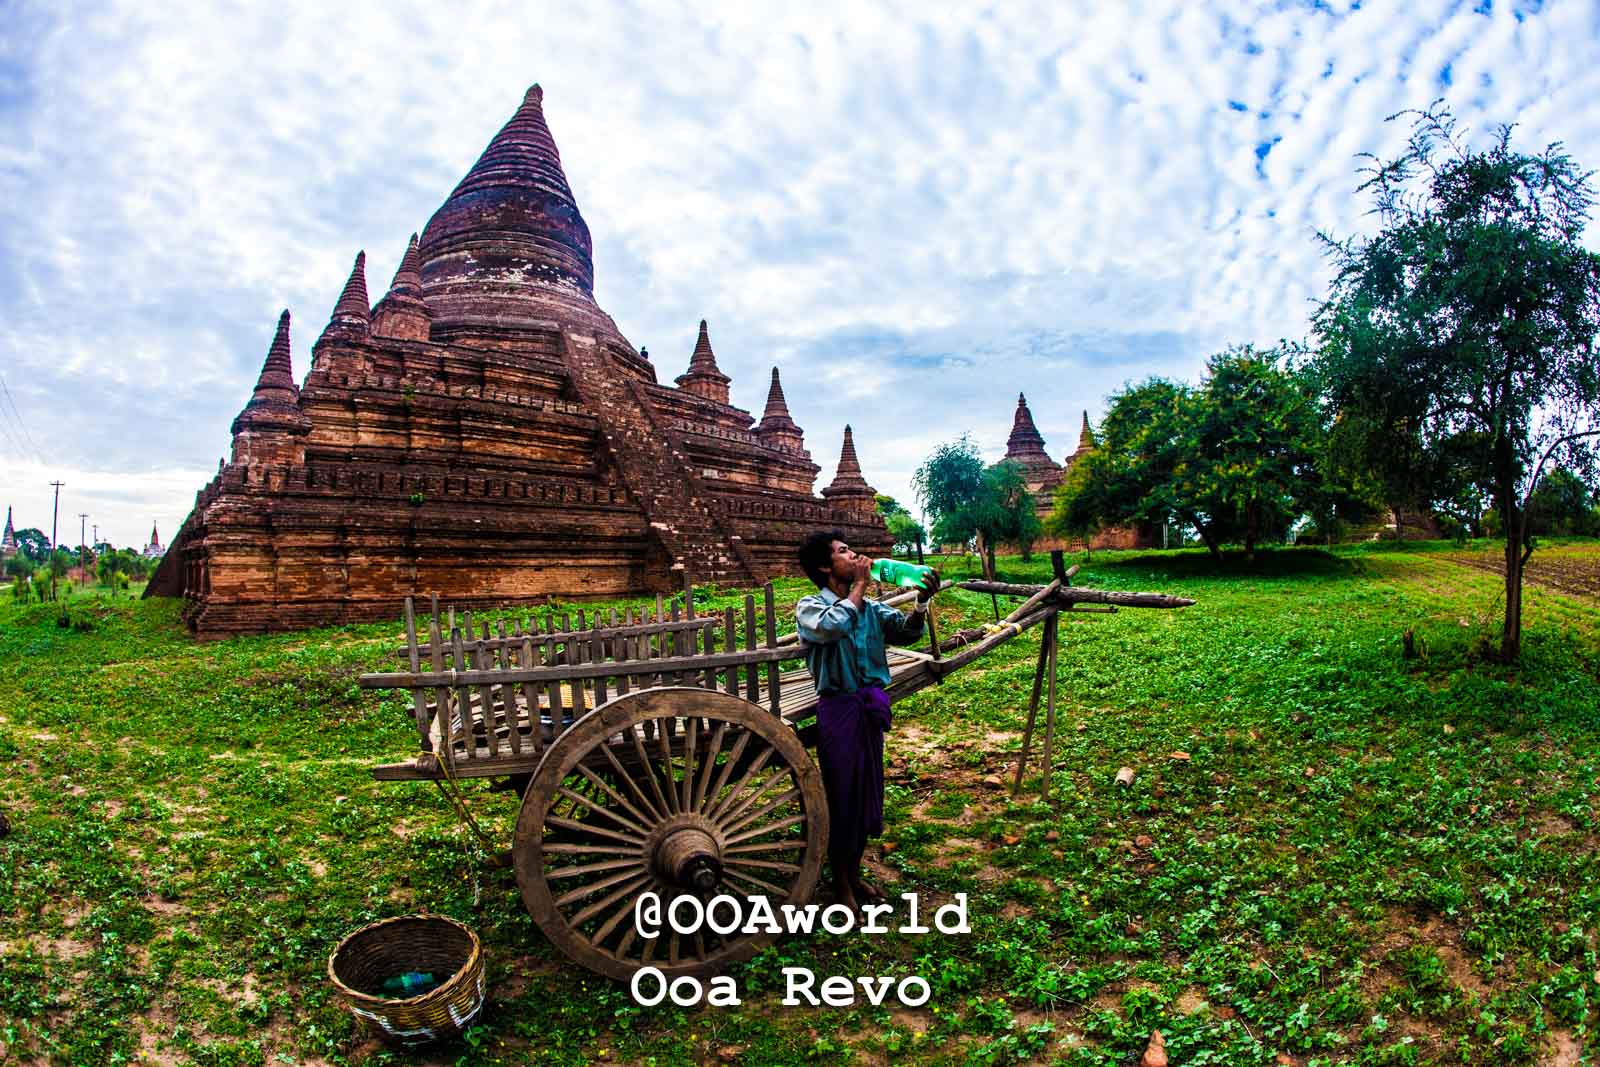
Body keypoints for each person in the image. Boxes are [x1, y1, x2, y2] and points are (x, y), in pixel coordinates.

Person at [795, 530, 939, 909]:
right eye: (845, 552)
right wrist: (859, 586)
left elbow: (908, 632)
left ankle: (854, 874)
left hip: (869, 709)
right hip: (839, 710)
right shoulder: (811, 607)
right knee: (842, 798)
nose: (856, 556)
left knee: (865, 797)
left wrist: (921, 601)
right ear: (826, 567)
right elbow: (832, 627)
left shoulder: (873, 611)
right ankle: (839, 883)